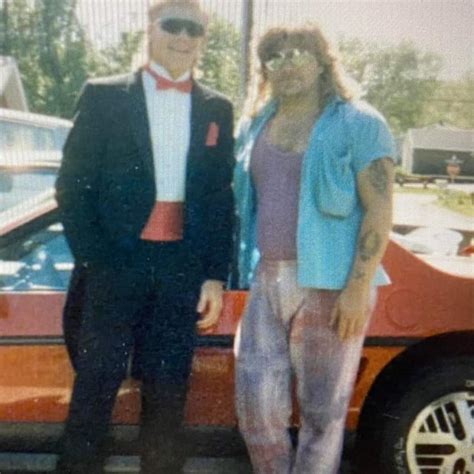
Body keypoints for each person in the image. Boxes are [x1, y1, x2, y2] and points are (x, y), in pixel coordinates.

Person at [55, 0, 235, 472]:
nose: (183, 37)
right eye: (173, 25)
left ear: (203, 38)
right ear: (151, 28)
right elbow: (72, 187)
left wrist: (215, 275)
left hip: (180, 270)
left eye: (193, 29)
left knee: (167, 396)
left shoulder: (217, 107)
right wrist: (96, 261)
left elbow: (219, 197)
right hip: (116, 265)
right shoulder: (104, 95)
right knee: (94, 389)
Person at [233, 25, 394, 473]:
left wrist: (357, 288)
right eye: (274, 57)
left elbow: (380, 210)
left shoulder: (360, 122)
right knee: (256, 408)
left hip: (332, 282)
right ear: (263, 69)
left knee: (323, 413)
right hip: (267, 278)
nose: (286, 63)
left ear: (323, 60)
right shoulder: (253, 126)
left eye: (297, 52)